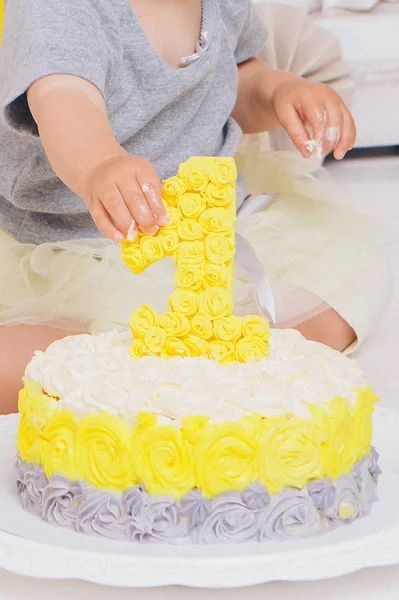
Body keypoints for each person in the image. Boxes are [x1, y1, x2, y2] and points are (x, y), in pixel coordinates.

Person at [0, 0, 391, 414]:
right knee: (41, 362)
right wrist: (100, 162)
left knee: (346, 285)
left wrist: (280, 92)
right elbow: (65, 100)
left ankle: (208, 361)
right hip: (76, 238)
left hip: (206, 232)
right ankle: (113, 364)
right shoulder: (58, 8)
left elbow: (235, 77)